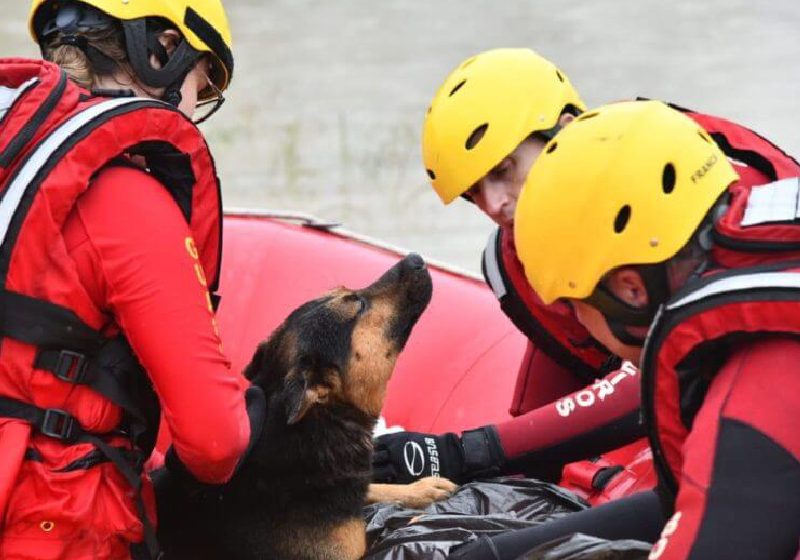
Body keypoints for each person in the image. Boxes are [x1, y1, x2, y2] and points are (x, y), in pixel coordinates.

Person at [372, 49, 800, 501]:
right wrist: (476, 466)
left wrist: (467, 451)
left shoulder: (680, 178)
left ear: (565, 128)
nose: (493, 205)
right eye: (474, 193)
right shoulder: (517, 253)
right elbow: (538, 416)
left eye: (502, 171)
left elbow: (667, 365)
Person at [458, 99, 800, 559]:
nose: (577, 322)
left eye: (574, 303)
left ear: (631, 290)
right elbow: (691, 505)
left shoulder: (752, 398)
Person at [0, 1, 260, 558]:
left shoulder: (12, 161)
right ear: (162, 50)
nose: (191, 110)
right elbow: (215, 442)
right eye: (197, 88)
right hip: (51, 528)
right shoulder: (127, 202)